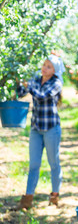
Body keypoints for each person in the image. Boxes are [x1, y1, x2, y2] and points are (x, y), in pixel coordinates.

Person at [13, 54, 65, 210]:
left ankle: (54, 196)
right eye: (44, 65)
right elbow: (21, 92)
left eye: (49, 66)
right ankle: (27, 199)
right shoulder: (36, 79)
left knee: (53, 163)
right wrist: (18, 82)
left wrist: (29, 86)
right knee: (34, 164)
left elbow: (42, 96)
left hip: (51, 128)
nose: (44, 68)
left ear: (54, 70)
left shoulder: (56, 83)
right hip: (36, 128)